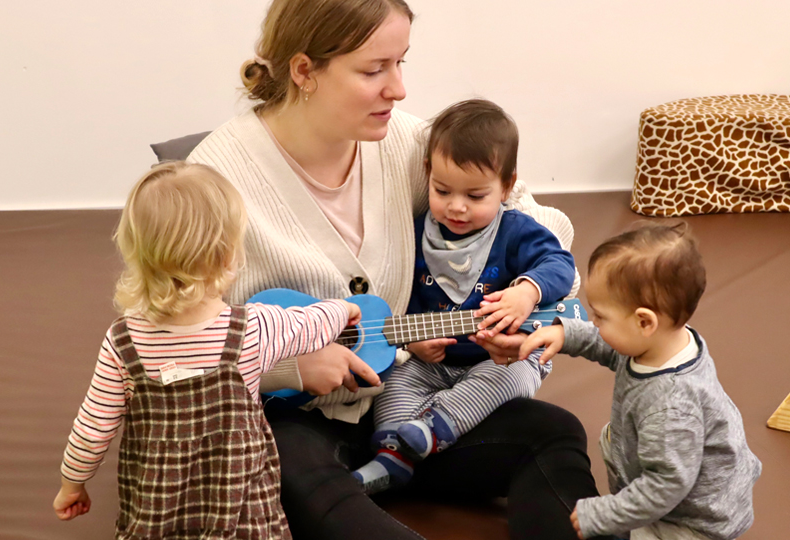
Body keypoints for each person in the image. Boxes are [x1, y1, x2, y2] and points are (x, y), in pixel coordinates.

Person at [188, 1, 610, 538]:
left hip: (416, 405)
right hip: (299, 421)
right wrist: (289, 368)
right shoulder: (210, 183)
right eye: (374, 70)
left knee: (556, 433)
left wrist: (525, 295)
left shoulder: (409, 143)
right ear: (304, 71)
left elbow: (537, 225)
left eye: (400, 62)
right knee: (292, 469)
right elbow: (165, 341)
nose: (399, 89)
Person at [52, 161, 372, 539]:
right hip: (242, 516)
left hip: (158, 518)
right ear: (226, 256)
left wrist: (72, 484)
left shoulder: (124, 342)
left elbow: (93, 428)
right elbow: (309, 324)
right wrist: (343, 310)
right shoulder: (253, 328)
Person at [351, 99, 576, 494]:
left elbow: (560, 264)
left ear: (506, 186)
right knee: (395, 380)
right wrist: (412, 343)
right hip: (430, 362)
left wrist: (527, 292)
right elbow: (397, 293)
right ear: (428, 174)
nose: (456, 207)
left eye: (475, 196)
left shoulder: (515, 231)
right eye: (442, 191)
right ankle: (393, 454)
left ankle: (432, 430)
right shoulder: (414, 232)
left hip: (495, 358)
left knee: (513, 374)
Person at [518, 223, 762, 540]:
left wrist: (604, 513)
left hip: (691, 521)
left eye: (600, 316)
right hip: (677, 472)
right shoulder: (664, 341)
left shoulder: (670, 407)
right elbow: (612, 346)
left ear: (644, 322)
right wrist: (567, 334)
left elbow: (665, 486)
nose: (594, 322)